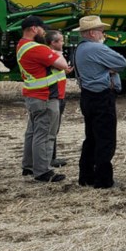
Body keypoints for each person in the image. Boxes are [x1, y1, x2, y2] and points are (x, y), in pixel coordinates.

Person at [73, 15, 126, 189]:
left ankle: (86, 176)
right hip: (102, 97)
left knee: (91, 137)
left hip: (87, 96)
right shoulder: (95, 49)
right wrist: (108, 68)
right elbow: (122, 63)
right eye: (101, 31)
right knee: (105, 139)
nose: (103, 34)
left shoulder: (79, 49)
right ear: (92, 33)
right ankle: (104, 180)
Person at [17, 15, 70, 183]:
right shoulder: (37, 48)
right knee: (45, 134)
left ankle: (29, 166)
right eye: (42, 29)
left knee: (32, 133)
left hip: (34, 96)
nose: (43, 32)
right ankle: (43, 172)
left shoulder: (22, 45)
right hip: (46, 97)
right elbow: (63, 65)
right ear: (34, 28)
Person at [44, 29, 69, 169]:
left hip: (59, 95)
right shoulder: (51, 55)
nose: (63, 42)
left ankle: (51, 157)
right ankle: (48, 160)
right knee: (51, 130)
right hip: (55, 96)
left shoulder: (52, 54)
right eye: (60, 40)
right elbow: (63, 65)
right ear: (53, 43)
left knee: (53, 129)